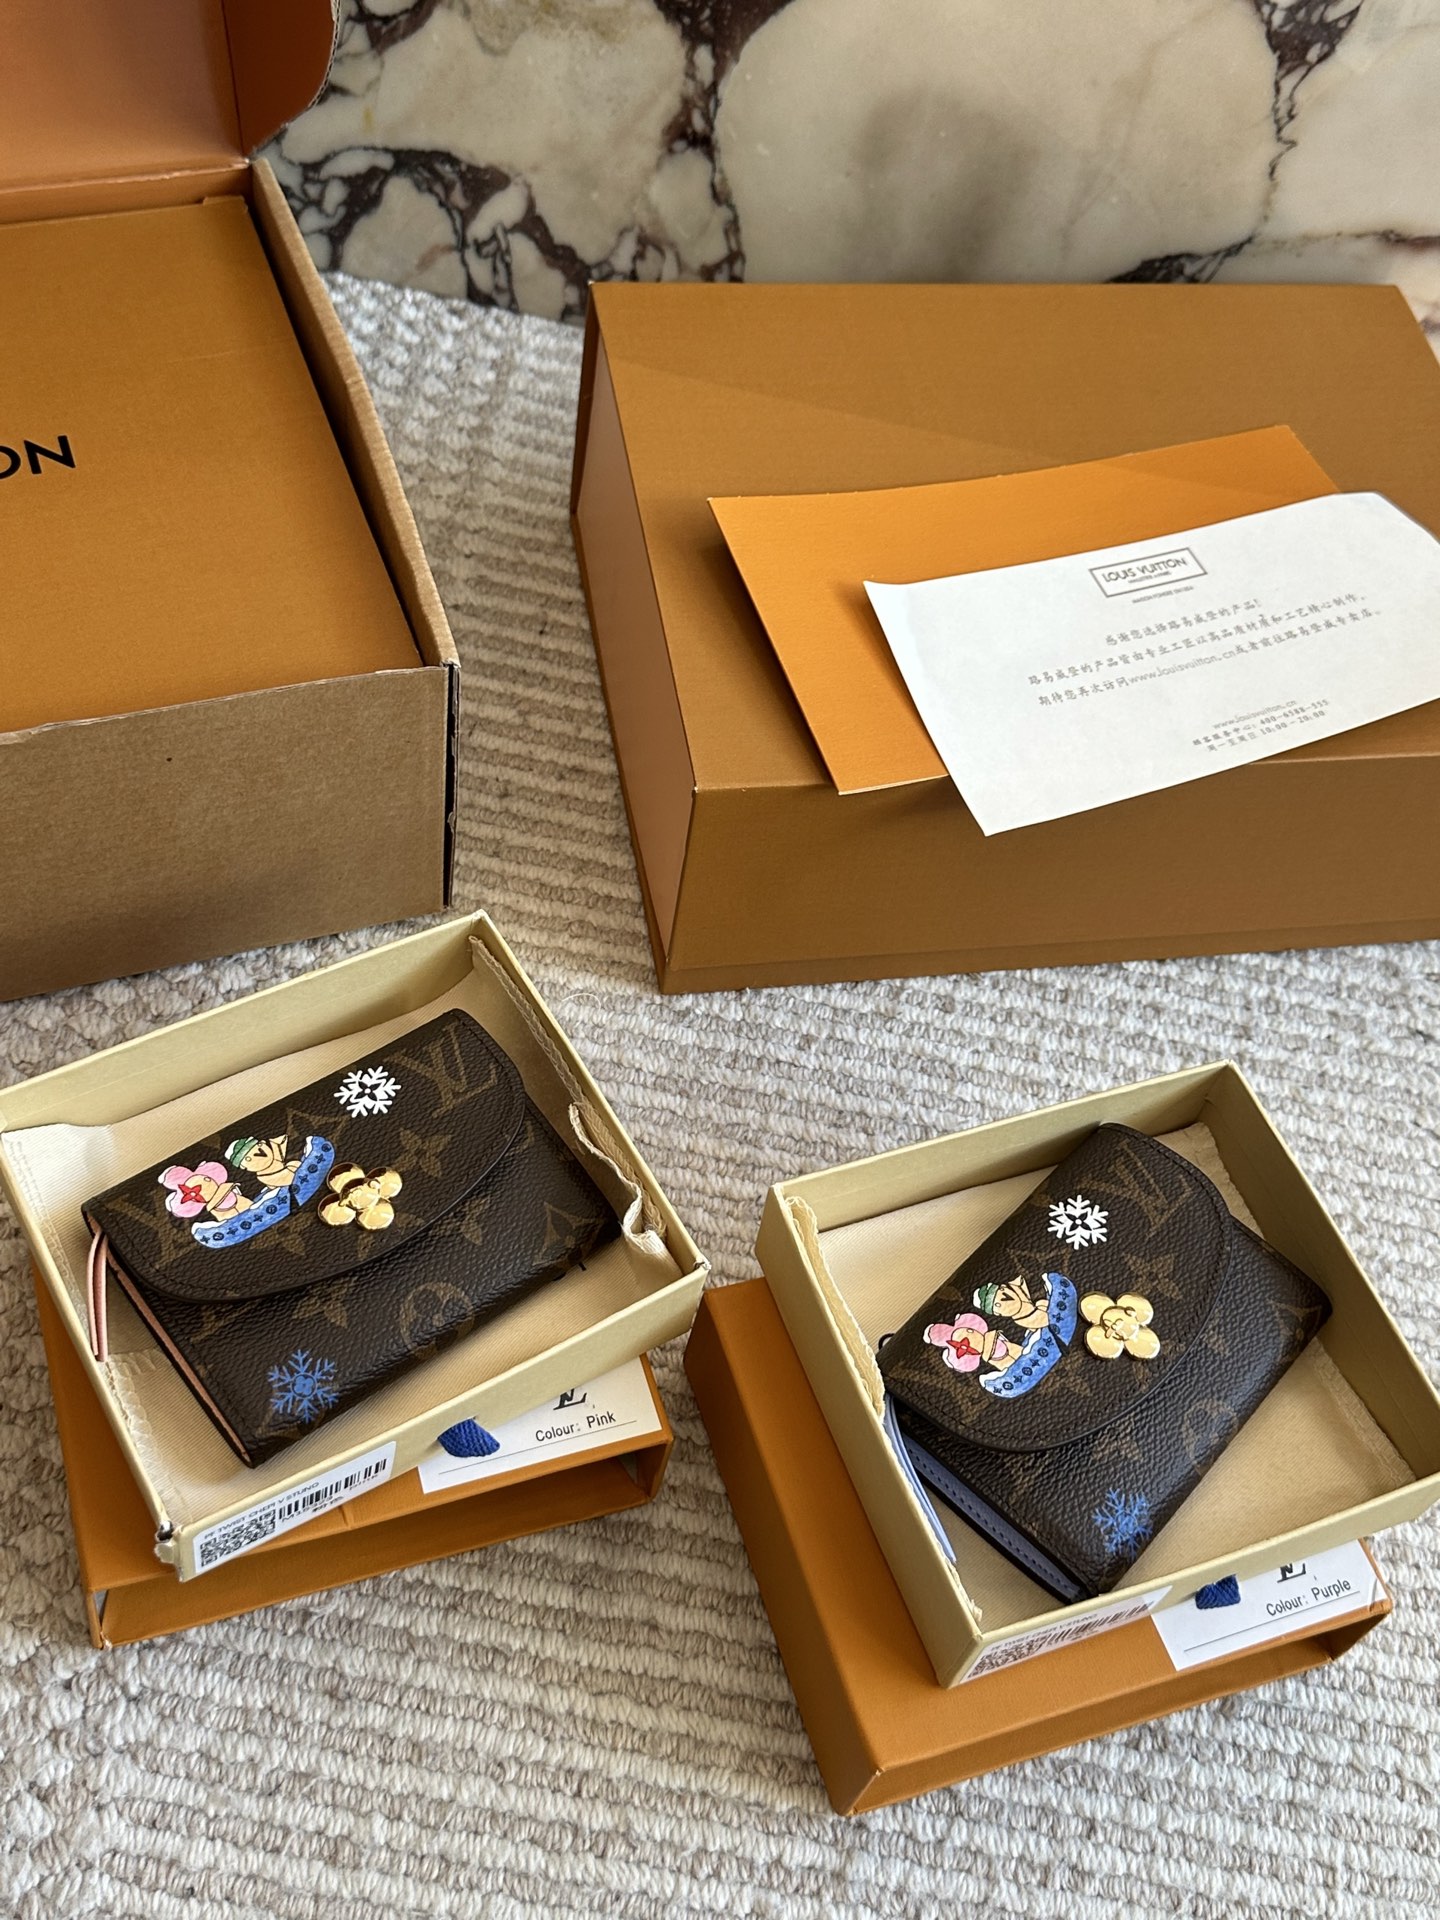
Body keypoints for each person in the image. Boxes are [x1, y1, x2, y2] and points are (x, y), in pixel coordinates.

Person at [970, 1270, 1078, 1399]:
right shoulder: (1028, 1325)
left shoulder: (1038, 1303)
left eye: (1002, 1291)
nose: (1005, 1299)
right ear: (998, 1313)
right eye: (998, 1304)